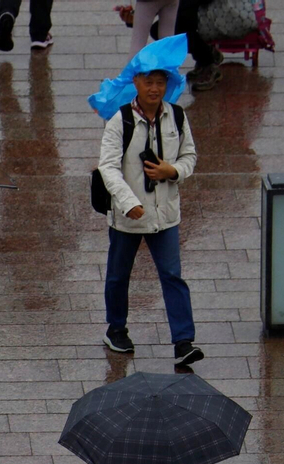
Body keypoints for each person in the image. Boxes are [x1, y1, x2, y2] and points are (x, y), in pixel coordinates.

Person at [96, 66, 202, 371]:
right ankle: (116, 329)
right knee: (119, 275)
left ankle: (184, 342)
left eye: (160, 83)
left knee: (172, 276)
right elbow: (108, 167)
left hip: (165, 215)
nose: (154, 89)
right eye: (148, 82)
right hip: (128, 217)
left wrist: (174, 171)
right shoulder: (120, 121)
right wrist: (129, 202)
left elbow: (189, 156)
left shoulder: (177, 117)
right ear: (137, 83)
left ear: (167, 84)